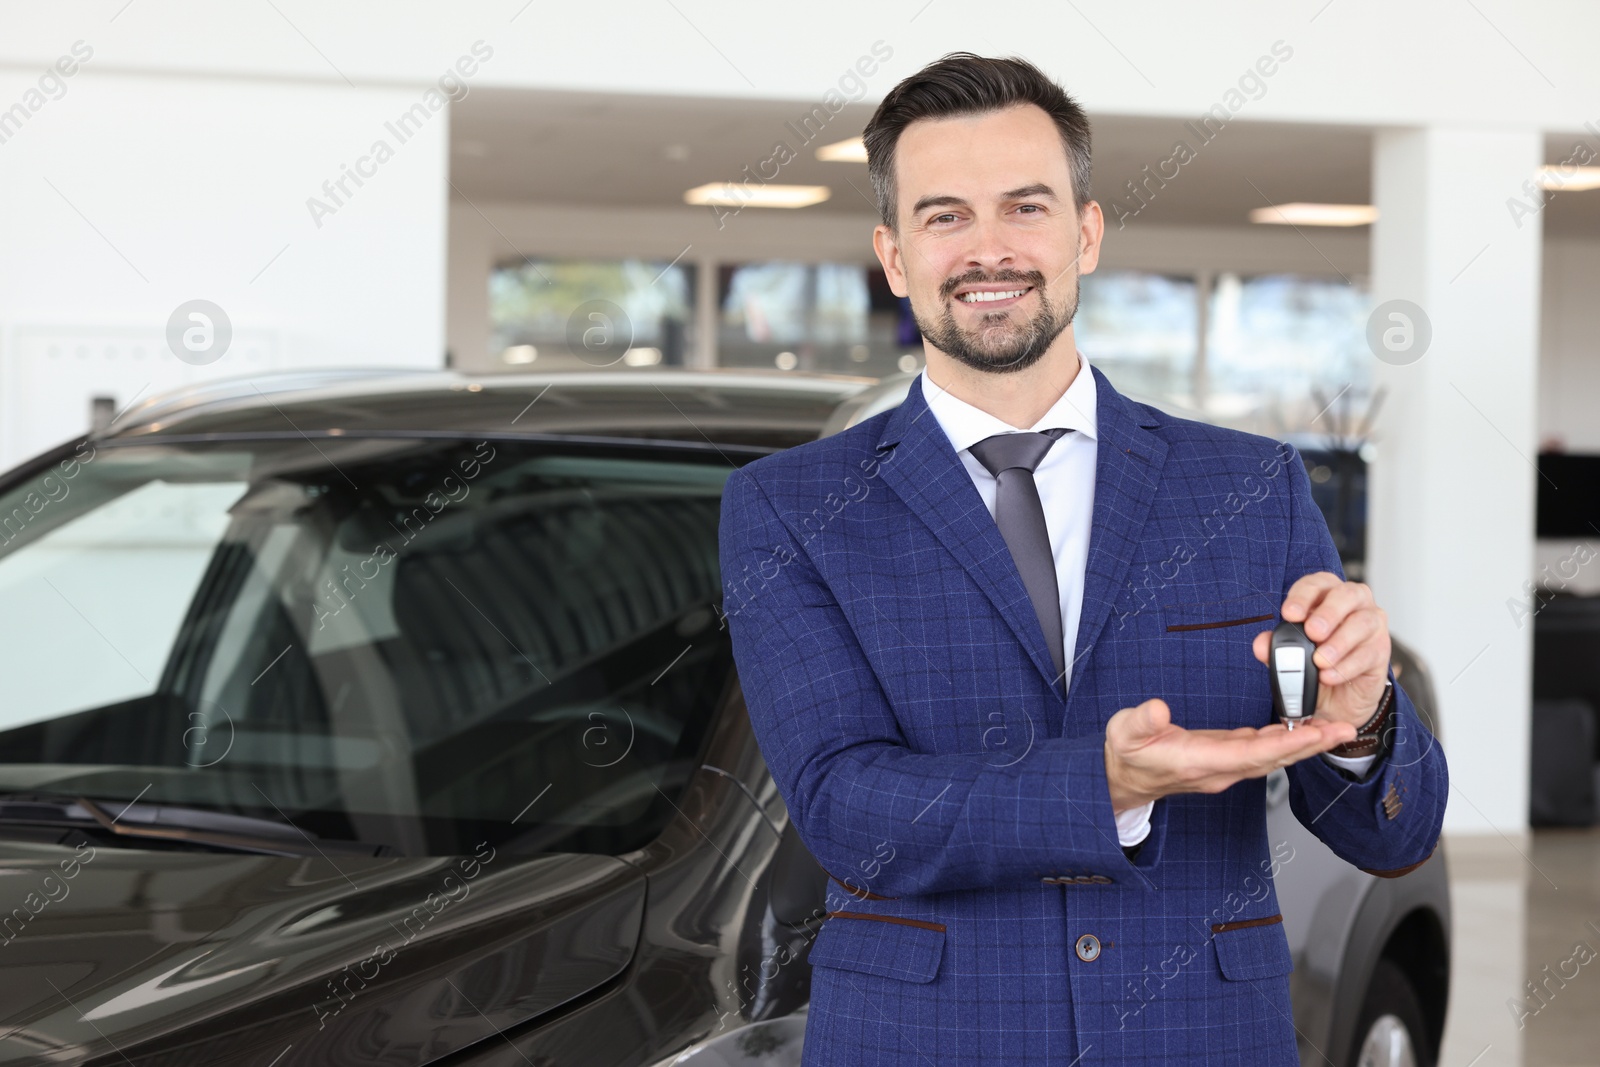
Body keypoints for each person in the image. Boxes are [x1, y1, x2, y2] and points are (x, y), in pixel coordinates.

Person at [717, 52, 1446, 1066]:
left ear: (1085, 230)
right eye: (943, 216)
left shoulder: (1250, 485)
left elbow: (1390, 836)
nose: (989, 249)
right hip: (925, 1039)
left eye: (1025, 207)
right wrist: (1100, 785)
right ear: (893, 254)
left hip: (1201, 1034)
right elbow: (848, 810)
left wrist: (1363, 716)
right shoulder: (790, 507)